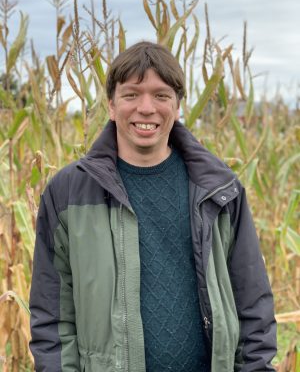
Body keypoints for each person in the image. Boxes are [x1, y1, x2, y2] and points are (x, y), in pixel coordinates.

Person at [29, 41, 277, 372]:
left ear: (177, 106)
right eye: (131, 94)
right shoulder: (68, 192)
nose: (146, 108)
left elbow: (252, 303)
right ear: (112, 106)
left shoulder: (220, 189)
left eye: (161, 96)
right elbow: (52, 318)